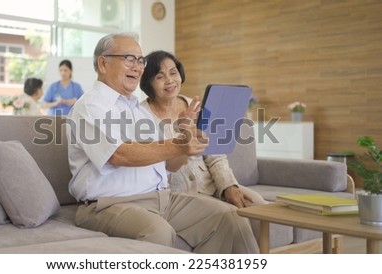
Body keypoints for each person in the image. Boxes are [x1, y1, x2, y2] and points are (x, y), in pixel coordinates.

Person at [66, 32, 258, 254]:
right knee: (158, 231)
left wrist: (185, 136)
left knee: (229, 218)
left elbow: (171, 165)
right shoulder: (90, 106)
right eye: (129, 58)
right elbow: (120, 155)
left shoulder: (136, 109)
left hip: (161, 198)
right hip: (108, 205)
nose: (137, 67)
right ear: (103, 63)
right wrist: (178, 144)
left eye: (140, 60)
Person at [140, 50, 267, 209]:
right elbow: (158, 165)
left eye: (173, 73)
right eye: (160, 76)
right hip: (176, 195)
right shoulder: (141, 115)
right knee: (229, 214)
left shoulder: (194, 105)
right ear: (148, 83)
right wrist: (185, 136)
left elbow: (214, 154)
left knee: (259, 205)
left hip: (211, 187)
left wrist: (228, 186)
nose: (170, 80)